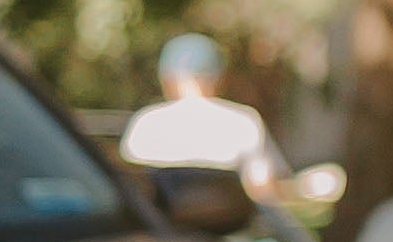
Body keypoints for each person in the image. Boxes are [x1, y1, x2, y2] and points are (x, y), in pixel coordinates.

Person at [119, 32, 287, 186]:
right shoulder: (243, 122)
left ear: (166, 79)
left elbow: (131, 182)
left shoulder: (146, 122)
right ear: (219, 78)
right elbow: (262, 187)